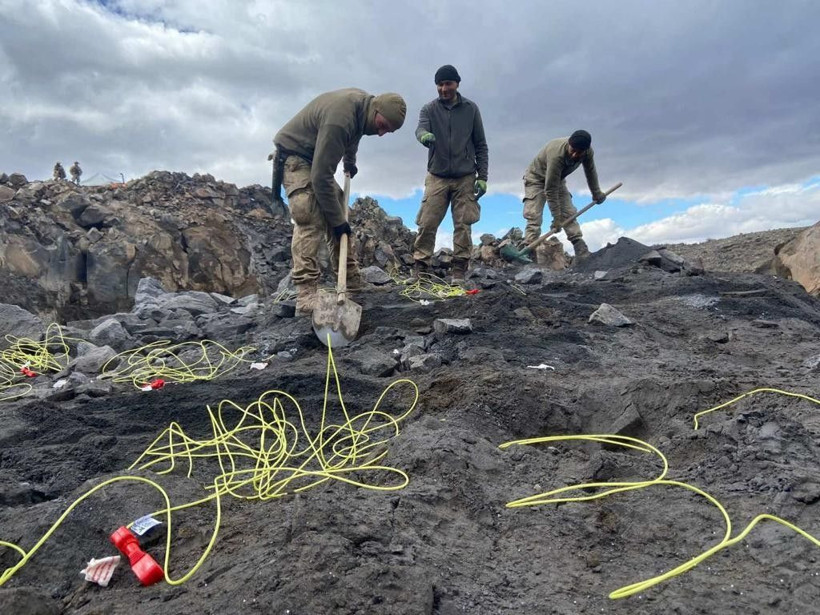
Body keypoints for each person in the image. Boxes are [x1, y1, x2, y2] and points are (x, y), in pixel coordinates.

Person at [273, 88, 407, 316]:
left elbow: (353, 135)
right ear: (376, 110)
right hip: (296, 158)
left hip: (314, 158)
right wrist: (336, 221)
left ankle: (350, 281)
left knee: (339, 208)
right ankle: (306, 294)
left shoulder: (362, 109)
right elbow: (319, 177)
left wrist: (349, 161)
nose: (382, 133)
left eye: (389, 131)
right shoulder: (341, 119)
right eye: (383, 126)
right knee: (310, 213)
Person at [413, 64, 488, 281]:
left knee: (463, 224)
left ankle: (459, 269)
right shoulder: (429, 109)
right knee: (427, 222)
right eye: (440, 84)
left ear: (457, 84)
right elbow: (420, 128)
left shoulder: (471, 109)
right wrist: (424, 136)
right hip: (437, 176)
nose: (444, 88)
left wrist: (482, 177)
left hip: (465, 176)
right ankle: (421, 267)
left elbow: (481, 145)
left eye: (448, 83)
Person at [522, 130, 606, 260]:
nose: (574, 155)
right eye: (572, 150)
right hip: (536, 179)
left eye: (578, 152)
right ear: (569, 144)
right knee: (534, 215)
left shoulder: (588, 152)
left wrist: (596, 193)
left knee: (568, 212)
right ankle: (528, 250)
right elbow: (550, 190)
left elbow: (590, 171)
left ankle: (580, 248)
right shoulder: (557, 155)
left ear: (585, 150)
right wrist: (556, 219)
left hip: (558, 179)